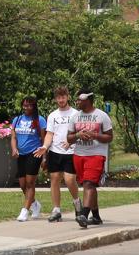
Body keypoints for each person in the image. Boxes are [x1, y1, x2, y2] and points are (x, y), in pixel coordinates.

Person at [67, 91, 112, 228]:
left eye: (79, 100)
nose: (77, 102)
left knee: (88, 184)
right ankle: (96, 217)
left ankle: (84, 215)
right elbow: (69, 138)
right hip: (79, 155)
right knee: (89, 186)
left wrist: (95, 135)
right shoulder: (75, 117)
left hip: (96, 155)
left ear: (88, 100)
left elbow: (109, 137)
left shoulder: (102, 116)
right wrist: (78, 135)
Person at [40, 85, 82, 223]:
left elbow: (80, 133)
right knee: (55, 179)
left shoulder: (76, 114)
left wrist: (71, 141)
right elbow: (49, 134)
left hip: (71, 152)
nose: (61, 100)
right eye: (58, 97)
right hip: (55, 151)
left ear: (67, 97)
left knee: (69, 180)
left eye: (63, 97)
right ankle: (56, 210)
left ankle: (77, 203)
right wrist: (45, 146)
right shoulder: (53, 115)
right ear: (55, 99)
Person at [10, 95, 47, 221]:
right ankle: (35, 204)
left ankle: (24, 211)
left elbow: (44, 139)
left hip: (35, 153)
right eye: (25, 105)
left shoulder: (39, 120)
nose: (27, 107)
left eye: (30, 105)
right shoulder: (17, 119)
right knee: (22, 185)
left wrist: (44, 157)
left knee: (30, 183)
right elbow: (13, 137)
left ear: (34, 106)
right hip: (21, 155)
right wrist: (14, 149)